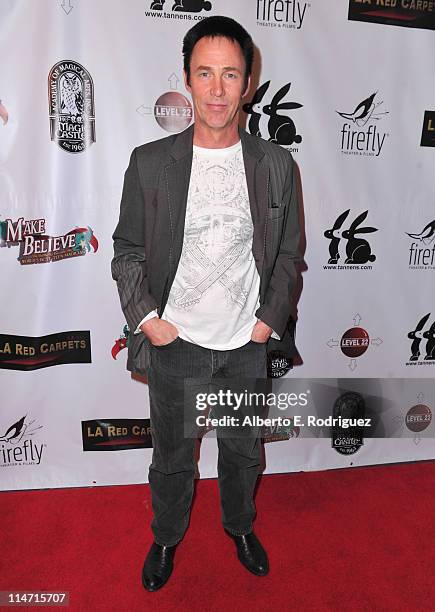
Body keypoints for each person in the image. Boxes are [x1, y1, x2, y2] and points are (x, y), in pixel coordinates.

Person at [112, 15, 301, 592]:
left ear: (248, 84)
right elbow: (127, 253)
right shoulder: (150, 163)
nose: (217, 90)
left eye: (230, 75)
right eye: (205, 74)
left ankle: (239, 526)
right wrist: (149, 321)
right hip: (178, 345)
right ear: (188, 80)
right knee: (173, 457)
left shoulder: (275, 165)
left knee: (243, 453)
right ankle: (166, 537)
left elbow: (290, 256)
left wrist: (267, 323)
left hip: (247, 345)